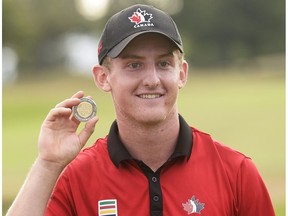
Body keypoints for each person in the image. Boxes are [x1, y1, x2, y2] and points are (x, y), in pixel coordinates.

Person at [7, 4, 275, 216]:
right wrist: (48, 164)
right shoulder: (75, 179)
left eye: (163, 64)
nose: (152, 79)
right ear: (103, 77)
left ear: (181, 74)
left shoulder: (236, 172)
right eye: (134, 65)